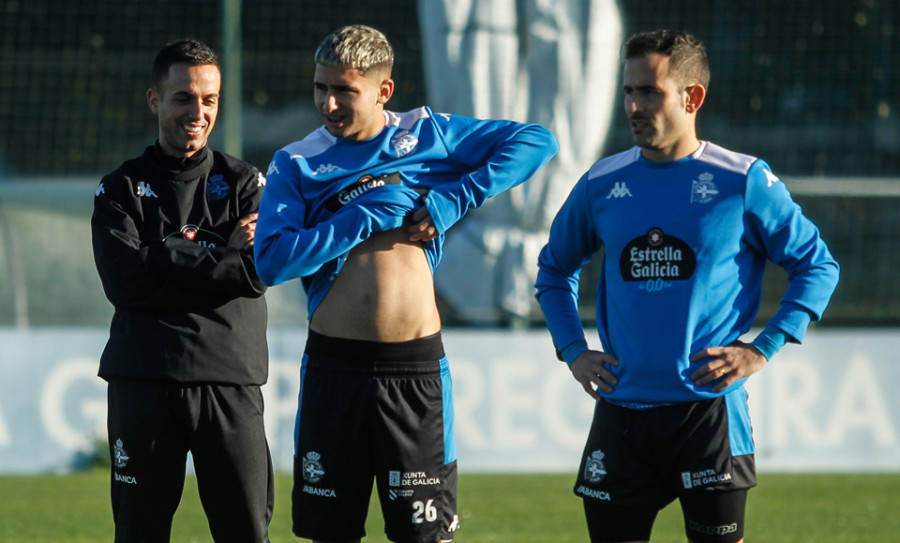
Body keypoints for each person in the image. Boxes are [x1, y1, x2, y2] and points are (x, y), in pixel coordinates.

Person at [254, 24, 558, 543]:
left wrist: (454, 198)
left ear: (383, 91)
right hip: (334, 368)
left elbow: (536, 141)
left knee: (425, 537)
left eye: (344, 90)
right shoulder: (296, 162)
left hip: (414, 372)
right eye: (320, 88)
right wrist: (364, 217)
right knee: (330, 534)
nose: (328, 104)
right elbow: (272, 262)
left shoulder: (426, 134)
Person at [535, 30, 839, 543]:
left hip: (709, 415)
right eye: (628, 91)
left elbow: (817, 264)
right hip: (622, 413)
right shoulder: (601, 184)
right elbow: (552, 271)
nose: (633, 105)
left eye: (649, 92)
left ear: (691, 97)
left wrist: (762, 348)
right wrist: (573, 351)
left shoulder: (742, 181)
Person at [91, 39, 273, 543]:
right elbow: (125, 285)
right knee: (139, 532)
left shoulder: (246, 185)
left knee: (246, 533)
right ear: (155, 100)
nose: (198, 112)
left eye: (209, 100)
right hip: (144, 381)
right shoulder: (120, 189)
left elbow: (256, 272)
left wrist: (160, 254)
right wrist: (223, 263)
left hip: (229, 382)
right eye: (184, 98)